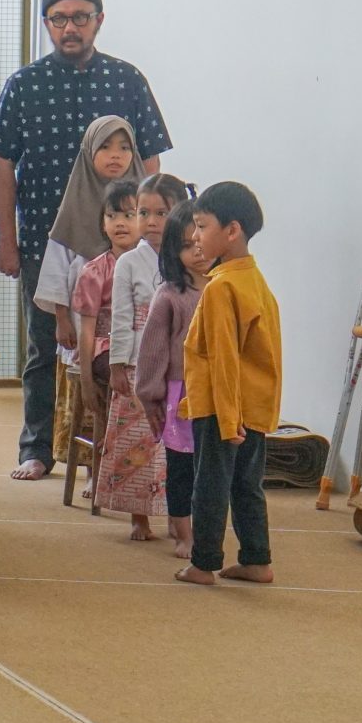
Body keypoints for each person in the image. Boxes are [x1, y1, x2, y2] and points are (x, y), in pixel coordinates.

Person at [0, 0, 172, 481]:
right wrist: (7, 241)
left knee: (125, 344)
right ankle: (37, 448)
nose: (70, 28)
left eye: (80, 17)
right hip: (49, 240)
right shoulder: (23, 85)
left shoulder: (127, 81)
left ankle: (117, 447)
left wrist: (151, 230)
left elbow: (151, 158)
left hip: (124, 245)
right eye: (59, 19)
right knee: (45, 346)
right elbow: (3, 164)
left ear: (98, 21)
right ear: (46, 23)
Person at [176, 181, 281, 588]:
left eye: (202, 226)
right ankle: (257, 559)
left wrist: (227, 417)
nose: (195, 236)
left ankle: (203, 564)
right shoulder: (255, 280)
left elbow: (223, 357)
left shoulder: (221, 287)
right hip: (251, 406)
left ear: (232, 230)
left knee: (210, 485)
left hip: (223, 409)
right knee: (247, 485)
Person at [93, 173, 182, 537]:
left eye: (162, 213)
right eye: (143, 213)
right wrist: (117, 365)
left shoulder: (189, 258)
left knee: (176, 443)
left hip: (178, 365)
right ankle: (138, 516)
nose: (151, 221)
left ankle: (179, 516)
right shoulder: (129, 262)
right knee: (138, 441)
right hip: (137, 365)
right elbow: (121, 316)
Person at [32, 116, 141, 362]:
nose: (115, 155)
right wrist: (62, 320)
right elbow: (56, 270)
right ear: (89, 151)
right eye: (105, 146)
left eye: (125, 148)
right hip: (82, 325)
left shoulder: (146, 207)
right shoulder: (74, 207)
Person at [137, 199, 209, 561]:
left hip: (219, 394)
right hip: (181, 395)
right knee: (181, 468)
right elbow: (153, 350)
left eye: (200, 242)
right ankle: (184, 535)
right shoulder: (169, 295)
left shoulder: (226, 287)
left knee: (209, 469)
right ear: (171, 251)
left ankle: (206, 531)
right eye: (185, 245)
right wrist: (150, 394)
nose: (197, 251)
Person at [70, 179, 145, 523]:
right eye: (112, 215)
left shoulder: (154, 264)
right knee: (131, 380)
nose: (120, 223)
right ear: (102, 222)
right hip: (104, 347)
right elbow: (86, 331)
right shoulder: (94, 270)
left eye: (130, 214)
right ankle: (114, 469)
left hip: (143, 346)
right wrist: (87, 381)